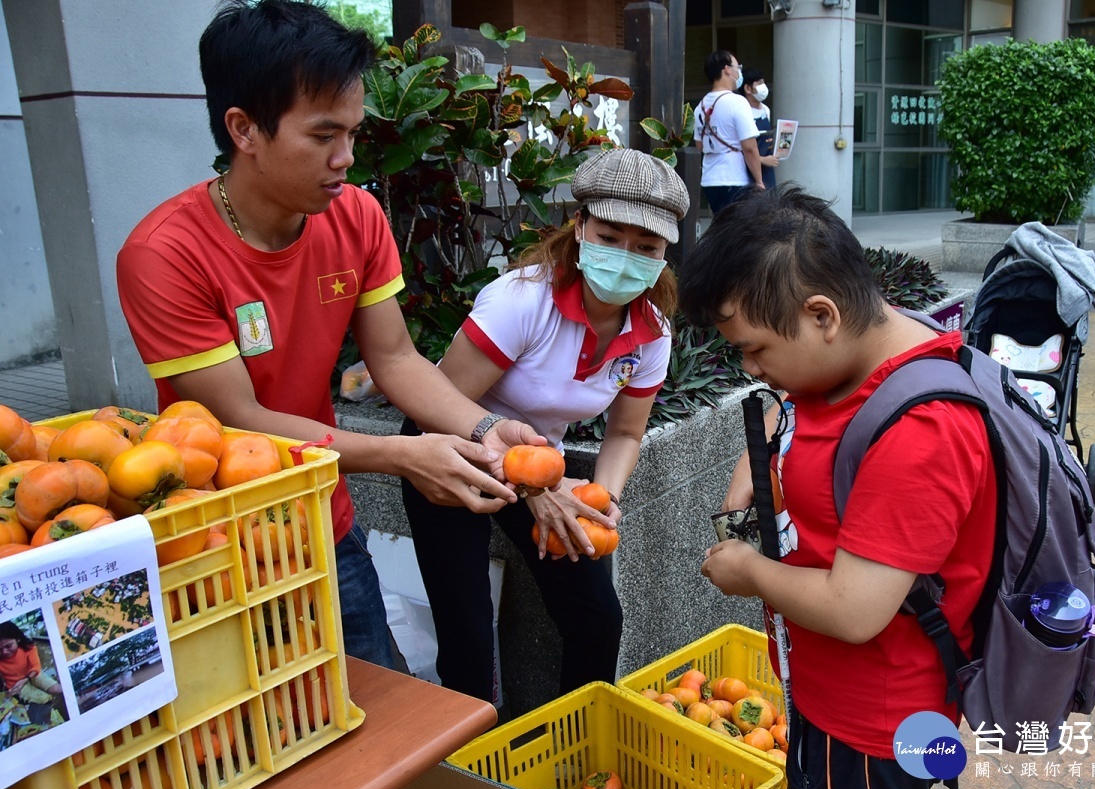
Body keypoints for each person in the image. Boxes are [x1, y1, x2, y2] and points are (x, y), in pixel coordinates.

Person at [115, 0, 543, 673]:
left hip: (323, 519)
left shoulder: (357, 217)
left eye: (352, 133)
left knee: (380, 708)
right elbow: (241, 420)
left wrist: (485, 424)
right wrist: (403, 457)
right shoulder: (165, 254)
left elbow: (397, 358)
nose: (346, 158)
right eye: (322, 136)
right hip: (215, 540)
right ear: (244, 129)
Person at [678, 186, 995, 789]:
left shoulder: (921, 432)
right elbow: (795, 417)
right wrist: (756, 464)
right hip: (827, 696)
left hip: (873, 725)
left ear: (822, 315)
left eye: (755, 349)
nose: (750, 369)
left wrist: (751, 571)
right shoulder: (844, 364)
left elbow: (854, 609)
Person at [400, 148, 689, 703]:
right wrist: (535, 487)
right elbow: (436, 403)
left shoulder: (652, 331)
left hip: (540, 471)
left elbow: (625, 433)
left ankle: (581, 750)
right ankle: (470, 774)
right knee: (468, 638)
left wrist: (601, 499)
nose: (626, 256)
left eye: (646, 247)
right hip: (451, 452)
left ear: (663, 255)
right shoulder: (522, 301)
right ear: (580, 228)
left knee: (598, 616)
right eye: (609, 237)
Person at [693, 50, 767, 215]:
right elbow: (749, 147)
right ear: (727, 69)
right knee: (738, 233)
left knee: (721, 228)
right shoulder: (737, 102)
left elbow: (699, 145)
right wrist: (759, 181)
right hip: (734, 178)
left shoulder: (700, 105)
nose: (739, 71)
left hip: (709, 180)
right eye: (737, 67)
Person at [0, 621, 62, 705]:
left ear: (18, 639)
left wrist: (25, 679)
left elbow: (36, 667)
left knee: (56, 689)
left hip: (32, 675)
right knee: (45, 699)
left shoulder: (28, 647)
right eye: (0, 649)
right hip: (15, 685)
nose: (4, 652)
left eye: (8, 646)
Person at [740, 67, 778, 189]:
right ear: (747, 88)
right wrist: (761, 160)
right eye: (759, 83)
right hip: (749, 170)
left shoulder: (765, 110)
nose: (764, 87)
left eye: (763, 82)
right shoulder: (742, 112)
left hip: (768, 169)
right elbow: (741, 147)